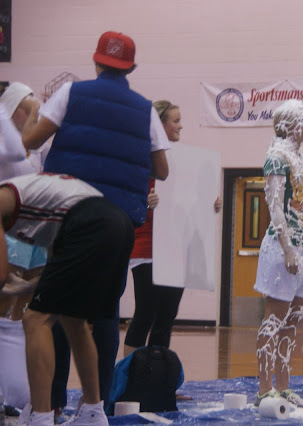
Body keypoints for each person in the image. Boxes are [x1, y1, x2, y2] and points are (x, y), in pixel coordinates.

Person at [20, 31, 170, 414]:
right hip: (119, 223)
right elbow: (162, 169)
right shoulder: (145, 110)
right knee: (104, 315)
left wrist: (33, 114)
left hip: (71, 215)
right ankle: (96, 407)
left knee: (53, 311)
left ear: (97, 61)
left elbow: (32, 141)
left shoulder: (71, 93)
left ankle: (51, 406)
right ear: (131, 68)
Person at [0, 173, 134, 426]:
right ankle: (93, 413)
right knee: (74, 320)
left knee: (35, 320)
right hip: (118, 225)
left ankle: (40, 417)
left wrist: (9, 285)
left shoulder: (5, 197)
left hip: (90, 225)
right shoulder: (40, 205)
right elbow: (56, 270)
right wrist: (24, 287)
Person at [123, 100, 221, 360]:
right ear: (160, 124)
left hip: (175, 247)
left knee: (166, 316)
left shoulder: (182, 160)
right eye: (176, 121)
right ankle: (128, 375)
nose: (180, 126)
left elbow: (187, 201)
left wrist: (209, 206)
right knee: (146, 312)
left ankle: (157, 375)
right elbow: (125, 198)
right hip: (148, 246)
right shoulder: (140, 158)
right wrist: (145, 203)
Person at [253, 100, 303, 408]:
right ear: (287, 125)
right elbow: (275, 206)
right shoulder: (277, 157)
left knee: (293, 320)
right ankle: (264, 388)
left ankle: (284, 386)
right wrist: (287, 249)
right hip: (284, 248)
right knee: (274, 317)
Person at [0, 83, 50, 415]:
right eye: (28, 109)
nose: (35, 114)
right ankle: (9, 390)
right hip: (9, 235)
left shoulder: (37, 148)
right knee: (5, 305)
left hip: (33, 236)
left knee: (25, 308)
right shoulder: (7, 145)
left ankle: (18, 392)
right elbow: (17, 153)